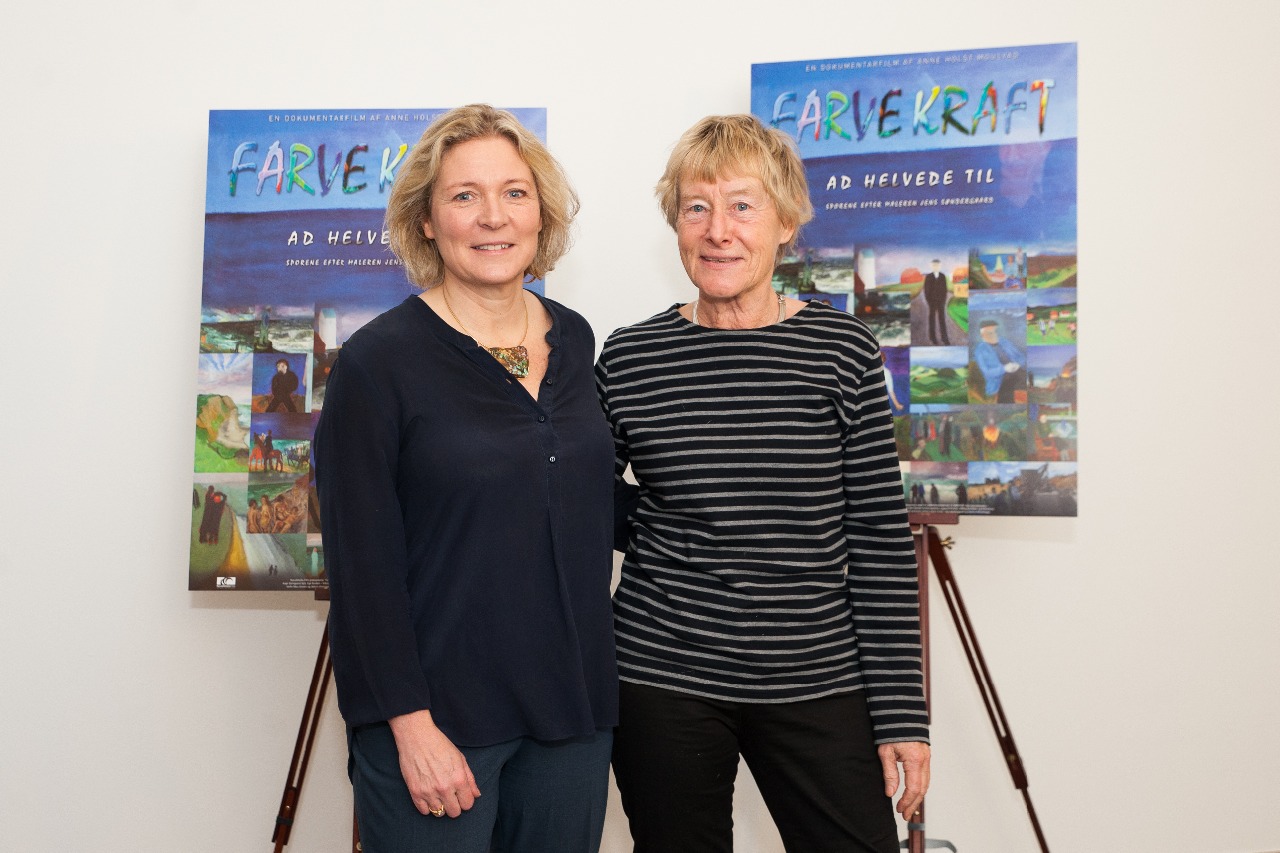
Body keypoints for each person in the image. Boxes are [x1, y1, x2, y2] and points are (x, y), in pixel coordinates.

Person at [596, 114, 929, 853]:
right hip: (663, 673)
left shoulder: (841, 351)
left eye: (743, 205)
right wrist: (662, 523)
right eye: (697, 206)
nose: (719, 230)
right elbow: (580, 496)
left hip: (816, 672)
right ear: (676, 224)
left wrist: (902, 714)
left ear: (786, 224)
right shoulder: (631, 357)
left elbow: (877, 537)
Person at [313, 105, 617, 853]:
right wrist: (409, 724)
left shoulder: (576, 337)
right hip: (439, 722)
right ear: (426, 220)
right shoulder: (377, 363)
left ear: (541, 213)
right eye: (464, 196)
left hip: (571, 714)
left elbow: (580, 497)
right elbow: (361, 565)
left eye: (514, 193)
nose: (493, 217)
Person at [973, 318, 1026, 403]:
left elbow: (1021, 357)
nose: (994, 334)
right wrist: (1004, 369)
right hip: (999, 379)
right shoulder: (980, 350)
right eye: (990, 332)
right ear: (983, 335)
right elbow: (987, 372)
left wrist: (1018, 364)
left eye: (995, 331)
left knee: (1026, 382)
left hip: (1017, 372)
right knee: (1008, 389)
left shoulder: (1004, 342)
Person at [922, 258, 950, 344]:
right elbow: (926, 290)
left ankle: (944, 338)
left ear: (940, 266)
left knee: (942, 319)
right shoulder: (928, 277)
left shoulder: (942, 276)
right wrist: (929, 301)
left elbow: (945, 289)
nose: (936, 267)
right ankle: (933, 338)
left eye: (937, 265)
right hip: (932, 302)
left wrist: (944, 300)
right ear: (931, 266)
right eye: (934, 265)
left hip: (941, 302)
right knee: (932, 319)